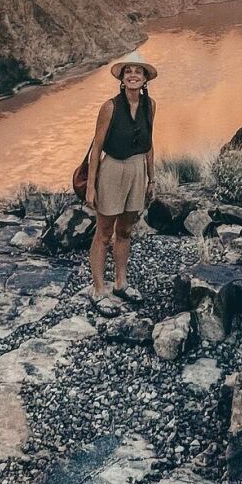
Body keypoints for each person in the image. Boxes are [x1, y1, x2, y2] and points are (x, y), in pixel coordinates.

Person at [85, 50, 157, 314]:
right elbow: (97, 148)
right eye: (129, 71)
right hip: (113, 169)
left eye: (139, 72)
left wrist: (151, 177)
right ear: (123, 78)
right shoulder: (110, 107)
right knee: (104, 232)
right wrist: (91, 186)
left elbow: (149, 143)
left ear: (145, 78)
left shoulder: (150, 106)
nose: (134, 76)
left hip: (137, 168)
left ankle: (121, 283)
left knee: (125, 230)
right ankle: (98, 289)